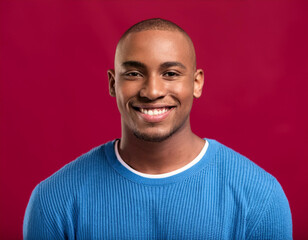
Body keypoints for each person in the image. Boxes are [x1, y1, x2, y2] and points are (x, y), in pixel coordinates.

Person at [23, 18, 292, 239]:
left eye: (171, 74)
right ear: (112, 83)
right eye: (134, 74)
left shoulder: (260, 198)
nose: (152, 91)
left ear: (197, 83)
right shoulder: (53, 201)